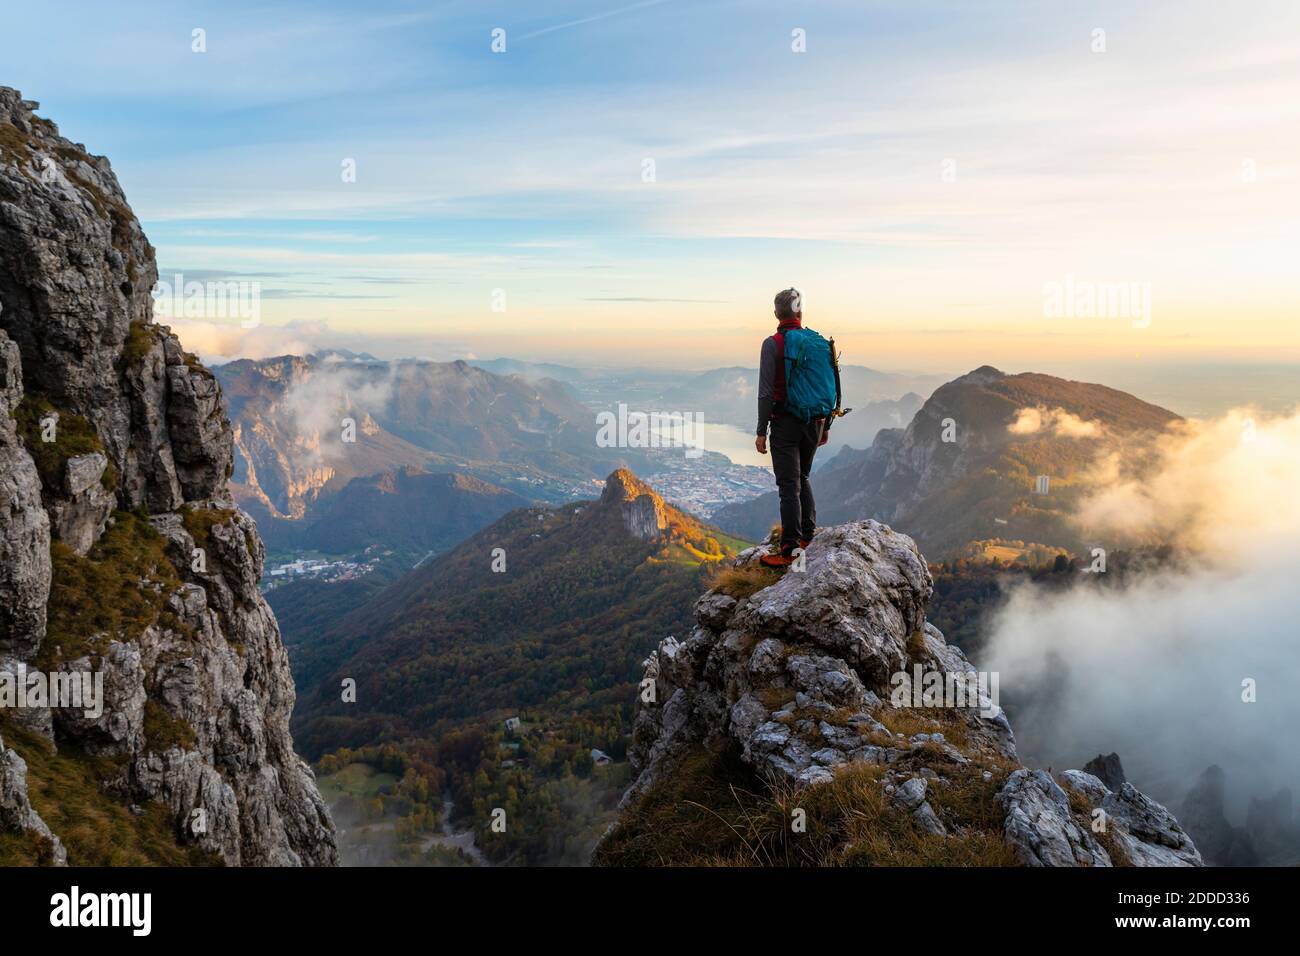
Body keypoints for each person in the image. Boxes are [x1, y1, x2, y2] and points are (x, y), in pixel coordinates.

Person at [754, 288, 825, 567]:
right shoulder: (816, 342)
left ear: (776, 314)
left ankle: (790, 550)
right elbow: (826, 386)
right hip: (816, 420)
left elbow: (765, 393)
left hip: (785, 423)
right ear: (800, 312)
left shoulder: (773, 344)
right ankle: (807, 534)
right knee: (803, 476)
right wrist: (825, 424)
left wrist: (761, 431)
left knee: (788, 486)